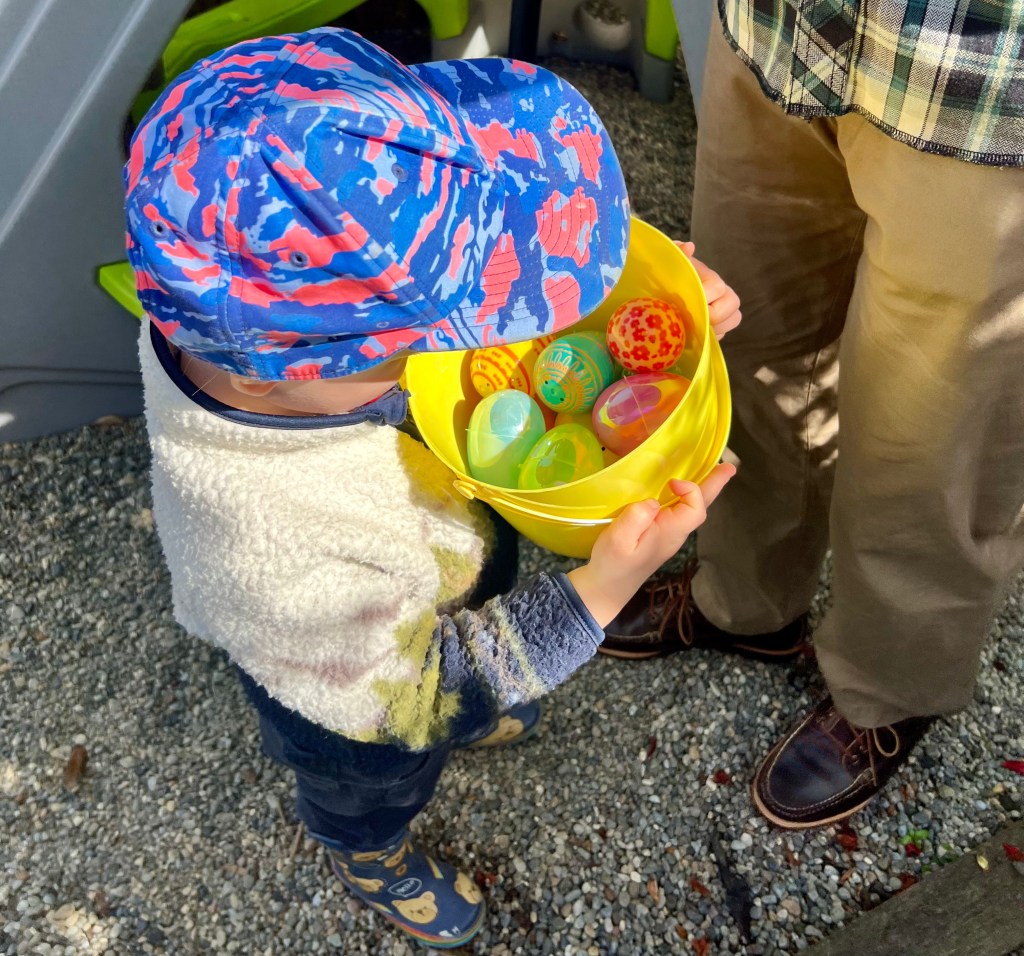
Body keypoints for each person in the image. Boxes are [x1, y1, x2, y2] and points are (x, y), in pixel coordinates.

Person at [124, 26, 735, 947]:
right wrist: (600, 592)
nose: (466, 340)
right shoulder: (273, 547)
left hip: (431, 575)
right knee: (379, 781)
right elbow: (409, 697)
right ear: (279, 372)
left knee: (459, 670)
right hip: (360, 703)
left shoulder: (220, 320)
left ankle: (455, 730)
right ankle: (368, 856)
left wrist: (637, 310)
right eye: (431, 332)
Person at [603, 2, 1024, 829]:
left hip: (979, 75)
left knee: (930, 427)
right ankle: (747, 601)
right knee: (751, 339)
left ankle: (889, 684)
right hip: (775, 28)